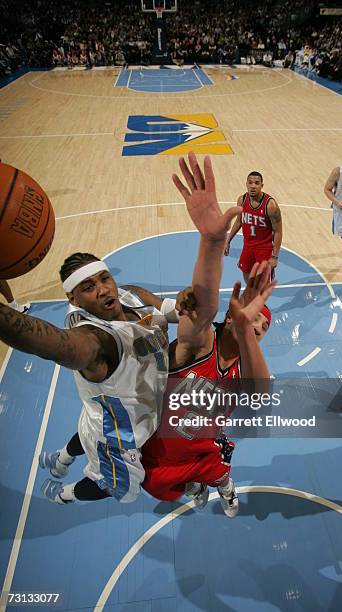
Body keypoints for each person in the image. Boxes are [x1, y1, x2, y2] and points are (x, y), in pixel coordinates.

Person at [0, 152, 240, 505]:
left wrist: (194, 281)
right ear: (74, 299)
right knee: (112, 484)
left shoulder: (133, 296)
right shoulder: (94, 341)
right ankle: (63, 493)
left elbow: (185, 312)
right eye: (89, 288)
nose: (104, 290)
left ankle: (61, 459)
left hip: (111, 407)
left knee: (88, 422)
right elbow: (51, 343)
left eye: (104, 278)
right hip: (120, 431)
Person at [141, 261, 273, 518]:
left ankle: (226, 489)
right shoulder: (203, 343)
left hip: (205, 443)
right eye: (252, 318)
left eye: (263, 327)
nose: (257, 327)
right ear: (230, 316)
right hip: (164, 440)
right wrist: (211, 243)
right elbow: (195, 324)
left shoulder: (247, 368)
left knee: (220, 475)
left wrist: (246, 333)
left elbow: (262, 394)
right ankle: (193, 486)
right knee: (154, 484)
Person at [224, 171, 283, 283]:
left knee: (262, 283)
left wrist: (275, 256)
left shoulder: (270, 205)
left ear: (262, 185)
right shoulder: (242, 200)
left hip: (264, 249)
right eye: (250, 183)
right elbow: (239, 221)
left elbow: (278, 231)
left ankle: (260, 300)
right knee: (246, 275)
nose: (253, 186)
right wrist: (228, 239)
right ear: (246, 184)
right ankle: (252, 294)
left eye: (256, 183)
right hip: (248, 246)